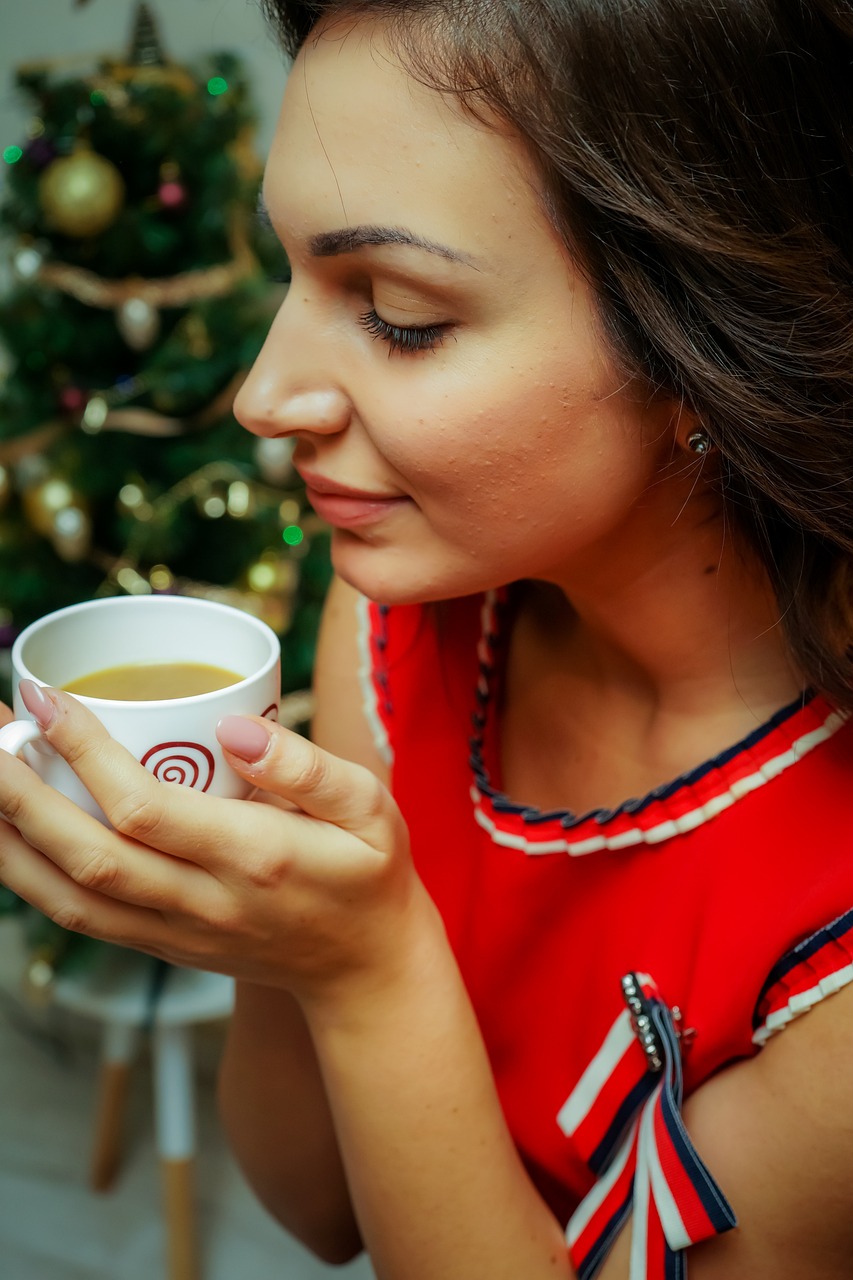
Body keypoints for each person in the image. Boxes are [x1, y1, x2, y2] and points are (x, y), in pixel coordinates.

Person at [1, 0, 852, 1275]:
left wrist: (370, 972)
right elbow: (316, 1206)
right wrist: (281, 933)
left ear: (709, 341)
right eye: (289, 269)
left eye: (398, 311)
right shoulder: (395, 632)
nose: (263, 399)